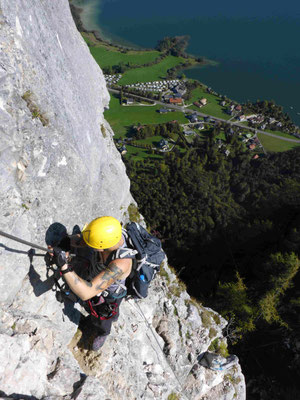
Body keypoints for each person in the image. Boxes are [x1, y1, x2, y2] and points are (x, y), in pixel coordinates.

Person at [50, 216, 133, 351]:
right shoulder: (109, 234)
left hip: (110, 295)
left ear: (101, 248)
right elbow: (84, 240)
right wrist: (66, 242)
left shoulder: (121, 263)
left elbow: (87, 293)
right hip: (93, 274)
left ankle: (103, 332)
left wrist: (64, 266)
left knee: (103, 315)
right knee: (92, 300)